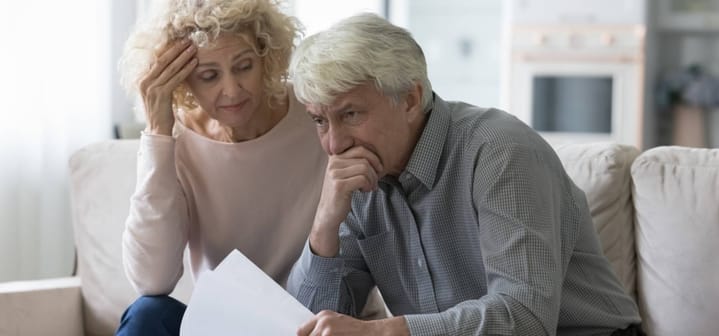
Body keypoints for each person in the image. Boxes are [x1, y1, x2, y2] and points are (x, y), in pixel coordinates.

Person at [286, 13, 643, 336]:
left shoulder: (500, 151)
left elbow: (526, 318)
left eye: (350, 114)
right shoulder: (358, 181)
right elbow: (304, 324)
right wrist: (324, 224)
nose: (334, 144)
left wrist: (384, 333)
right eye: (320, 120)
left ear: (410, 99)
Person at [115, 0, 328, 335]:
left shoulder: (316, 117)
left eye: (243, 67)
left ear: (266, 57)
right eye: (209, 76)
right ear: (183, 82)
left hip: (309, 321)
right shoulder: (177, 141)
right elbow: (151, 279)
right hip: (222, 325)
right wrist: (158, 133)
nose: (231, 90)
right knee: (147, 314)